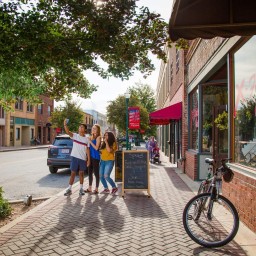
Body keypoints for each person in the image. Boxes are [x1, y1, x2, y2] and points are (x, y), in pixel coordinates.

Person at [63, 119, 90, 196]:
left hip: (82, 159)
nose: (80, 128)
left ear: (85, 129)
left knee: (81, 174)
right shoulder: (75, 136)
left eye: (82, 127)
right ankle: (69, 189)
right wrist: (65, 124)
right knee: (73, 174)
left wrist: (88, 160)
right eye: (79, 127)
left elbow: (87, 149)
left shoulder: (87, 139)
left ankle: (81, 189)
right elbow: (68, 132)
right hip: (74, 157)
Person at [85, 124, 101, 194]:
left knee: (96, 173)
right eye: (93, 128)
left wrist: (90, 141)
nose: (93, 129)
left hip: (96, 157)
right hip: (90, 157)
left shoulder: (98, 137)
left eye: (95, 128)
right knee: (89, 173)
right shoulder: (91, 137)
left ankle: (97, 188)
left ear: (98, 130)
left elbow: (96, 148)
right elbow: (88, 147)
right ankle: (90, 188)